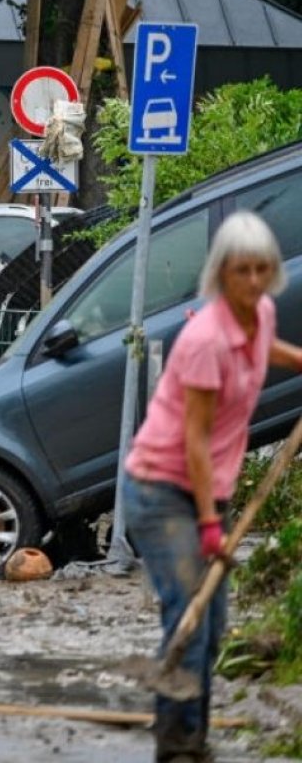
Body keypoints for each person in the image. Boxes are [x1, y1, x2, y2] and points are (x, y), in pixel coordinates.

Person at [122, 211, 302, 762]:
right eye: (240, 271)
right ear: (221, 274)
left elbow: (269, 350)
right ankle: (178, 746)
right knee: (189, 618)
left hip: (207, 493)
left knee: (214, 623)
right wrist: (206, 523)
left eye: (261, 270)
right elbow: (195, 440)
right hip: (160, 490)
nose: (252, 281)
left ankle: (190, 735)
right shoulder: (205, 340)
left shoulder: (261, 314)